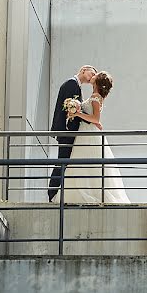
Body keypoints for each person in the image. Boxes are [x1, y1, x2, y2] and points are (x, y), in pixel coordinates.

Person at [55, 71, 130, 204]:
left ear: (98, 81)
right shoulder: (95, 96)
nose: (93, 75)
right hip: (85, 131)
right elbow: (94, 118)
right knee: (82, 163)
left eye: (96, 75)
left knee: (87, 162)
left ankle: (88, 193)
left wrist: (77, 114)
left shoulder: (96, 97)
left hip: (89, 133)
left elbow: (94, 117)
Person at [48, 65, 96, 202]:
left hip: (68, 131)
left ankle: (55, 193)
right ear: (83, 70)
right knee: (62, 162)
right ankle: (52, 194)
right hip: (67, 130)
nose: (91, 77)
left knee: (64, 161)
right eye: (91, 73)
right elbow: (69, 109)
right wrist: (91, 121)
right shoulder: (71, 83)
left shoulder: (75, 85)